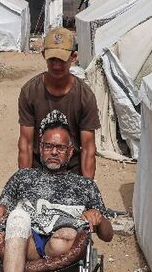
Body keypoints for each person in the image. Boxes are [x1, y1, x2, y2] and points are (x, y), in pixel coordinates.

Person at [0, 112, 113, 272]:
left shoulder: (84, 186)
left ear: (70, 152)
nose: (53, 152)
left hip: (63, 249)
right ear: (40, 148)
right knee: (18, 216)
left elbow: (108, 235)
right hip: (26, 244)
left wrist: (98, 218)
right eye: (49, 146)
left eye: (60, 148)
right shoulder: (23, 178)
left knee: (69, 232)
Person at [18, 27, 100, 178]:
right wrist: (25, 182)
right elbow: (26, 143)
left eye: (61, 60)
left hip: (72, 173)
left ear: (73, 57)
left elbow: (88, 148)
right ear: (44, 55)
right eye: (52, 59)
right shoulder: (29, 92)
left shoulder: (85, 96)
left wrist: (88, 188)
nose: (56, 65)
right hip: (38, 171)